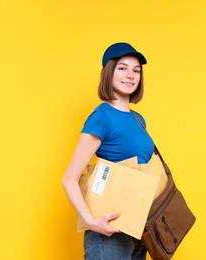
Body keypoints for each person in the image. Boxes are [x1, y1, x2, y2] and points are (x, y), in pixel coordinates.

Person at [62, 42, 154, 259]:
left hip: (137, 226)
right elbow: (69, 179)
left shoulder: (138, 119)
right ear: (108, 72)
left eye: (136, 70)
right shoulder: (101, 117)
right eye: (122, 68)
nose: (130, 75)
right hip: (109, 230)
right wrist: (91, 221)